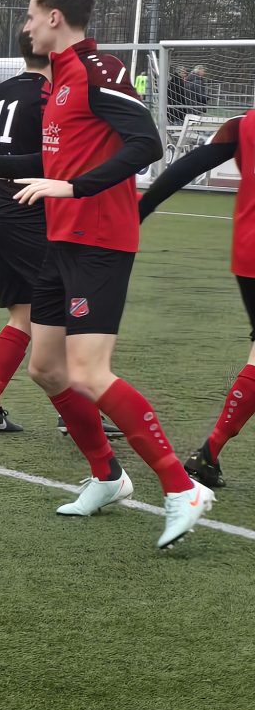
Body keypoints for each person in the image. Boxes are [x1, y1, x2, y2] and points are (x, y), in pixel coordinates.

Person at [0, 0, 212, 549]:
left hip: (100, 241)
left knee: (88, 371)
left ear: (54, 17)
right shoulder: (58, 79)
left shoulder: (98, 70)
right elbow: (51, 158)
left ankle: (182, 488)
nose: (26, 25)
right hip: (62, 241)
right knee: (46, 368)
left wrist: (75, 187)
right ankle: (108, 476)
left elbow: (148, 143)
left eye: (31, 14)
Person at [139, 105, 255, 487]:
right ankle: (208, 453)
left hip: (247, 255)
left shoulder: (245, 123)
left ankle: (209, 455)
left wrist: (140, 210)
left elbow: (190, 165)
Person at [0, 30, 50, 433]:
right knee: (65, 312)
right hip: (25, 212)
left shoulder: (2, 89)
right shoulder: (51, 95)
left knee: (25, 314)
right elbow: (51, 157)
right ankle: (78, 412)